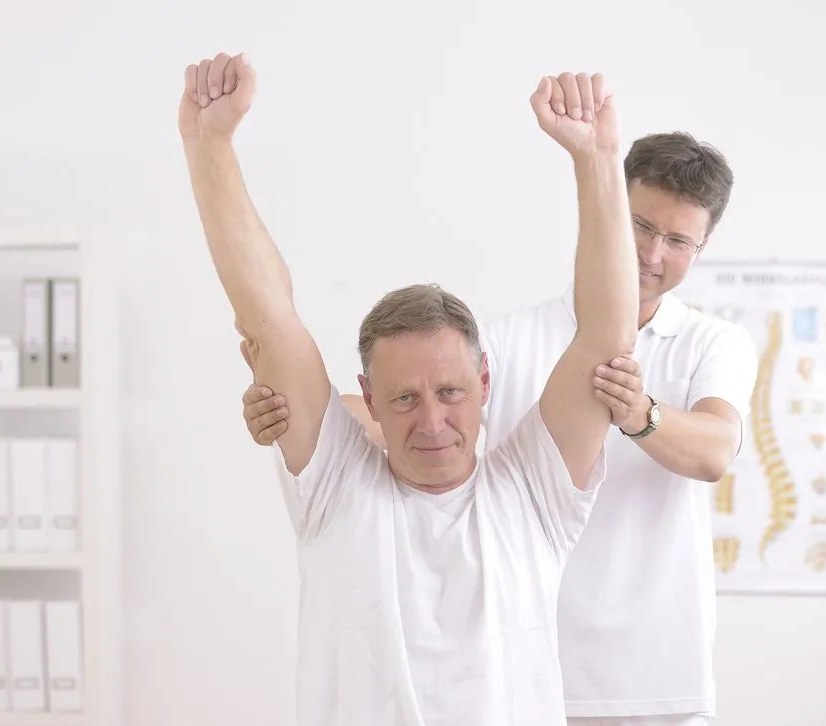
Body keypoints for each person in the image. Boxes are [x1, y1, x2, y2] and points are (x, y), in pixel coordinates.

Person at [180, 52, 641, 726]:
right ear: (367, 398)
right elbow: (267, 315)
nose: (431, 422)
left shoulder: (531, 493)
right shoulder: (337, 483)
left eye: (451, 392)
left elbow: (605, 336)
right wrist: (208, 143)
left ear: (484, 383)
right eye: (403, 399)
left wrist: (598, 158)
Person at [241, 128, 759, 726]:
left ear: (703, 245)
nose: (651, 254)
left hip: (657, 675)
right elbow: (420, 407)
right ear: (614, 211)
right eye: (641, 227)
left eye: (677, 240)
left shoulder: (714, 343)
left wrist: (640, 415)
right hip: (534, 665)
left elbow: (716, 452)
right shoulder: (513, 340)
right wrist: (289, 417)